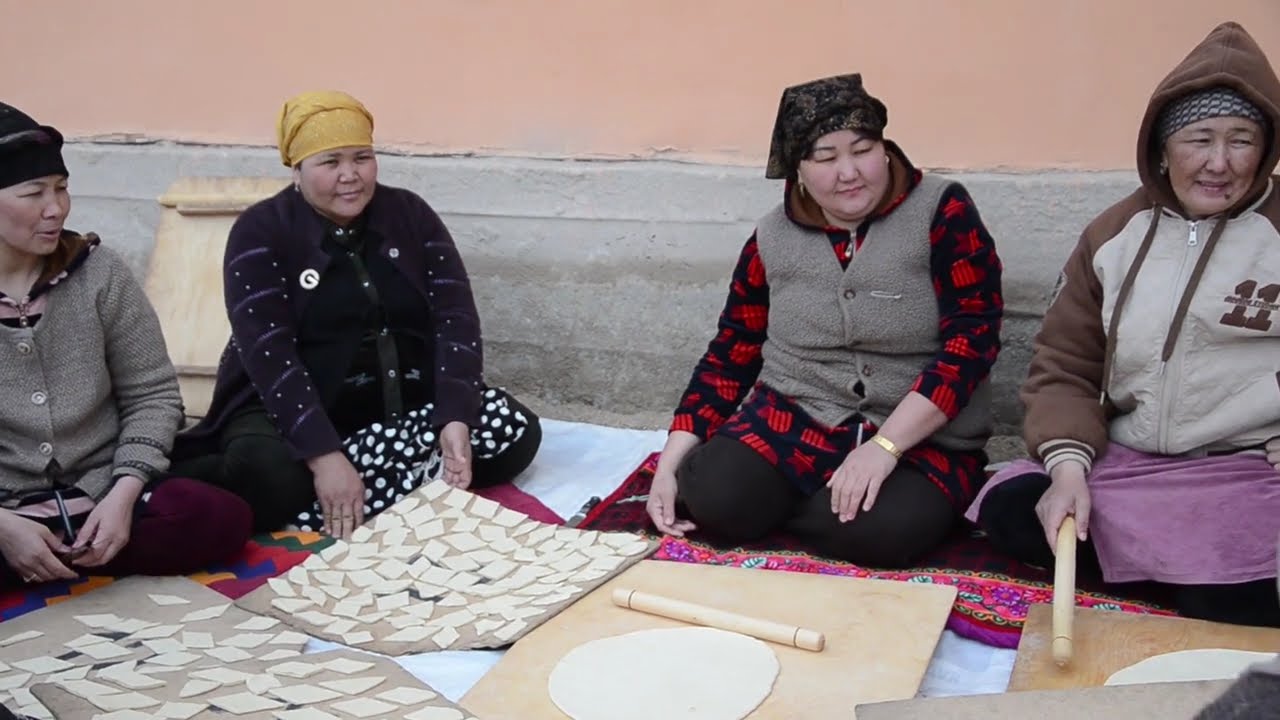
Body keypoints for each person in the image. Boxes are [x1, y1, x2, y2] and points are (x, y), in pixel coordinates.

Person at [968, 21, 1280, 627]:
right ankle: (1176, 573)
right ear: (1163, 148)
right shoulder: (1114, 234)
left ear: (1265, 149)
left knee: (1232, 608)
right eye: (1200, 139)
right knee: (1012, 506)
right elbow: (1064, 366)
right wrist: (1067, 468)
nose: (1218, 162)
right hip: (1131, 464)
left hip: (1243, 470)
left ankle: (1183, 579)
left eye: (1241, 140)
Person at [644, 73, 1004, 567]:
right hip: (795, 420)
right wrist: (670, 463)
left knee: (880, 533)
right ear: (798, 170)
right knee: (712, 495)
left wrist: (885, 447)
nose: (850, 172)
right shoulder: (772, 237)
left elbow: (972, 343)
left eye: (862, 149)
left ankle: (814, 510)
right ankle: (814, 507)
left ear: (885, 147)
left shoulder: (944, 212)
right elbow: (733, 350)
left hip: (919, 434)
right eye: (826, 158)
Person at [173, 91, 542, 539]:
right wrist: (323, 455)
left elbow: (456, 319)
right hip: (291, 412)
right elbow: (268, 355)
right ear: (297, 168)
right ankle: (347, 477)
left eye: (362, 158)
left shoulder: (410, 214)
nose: (350, 176)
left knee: (515, 433)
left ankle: (357, 483)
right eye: (330, 162)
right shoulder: (260, 231)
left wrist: (453, 416)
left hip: (399, 412)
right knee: (265, 480)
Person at [0, 102, 251, 587]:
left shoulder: (99, 274)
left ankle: (74, 554)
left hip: (104, 491)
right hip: (6, 509)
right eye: (34, 193)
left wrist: (122, 493)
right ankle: (39, 556)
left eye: (62, 188)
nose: (56, 208)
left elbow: (153, 394)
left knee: (219, 516)